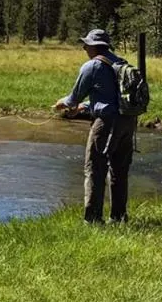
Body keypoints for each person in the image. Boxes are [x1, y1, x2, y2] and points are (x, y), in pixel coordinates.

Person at [52, 29, 137, 224]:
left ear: (94, 46)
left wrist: (62, 104)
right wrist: (86, 106)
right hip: (127, 121)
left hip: (105, 123)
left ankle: (92, 220)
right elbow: (112, 98)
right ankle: (119, 218)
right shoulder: (120, 62)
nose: (84, 47)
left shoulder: (92, 66)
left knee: (94, 169)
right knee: (119, 171)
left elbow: (73, 98)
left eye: (86, 44)